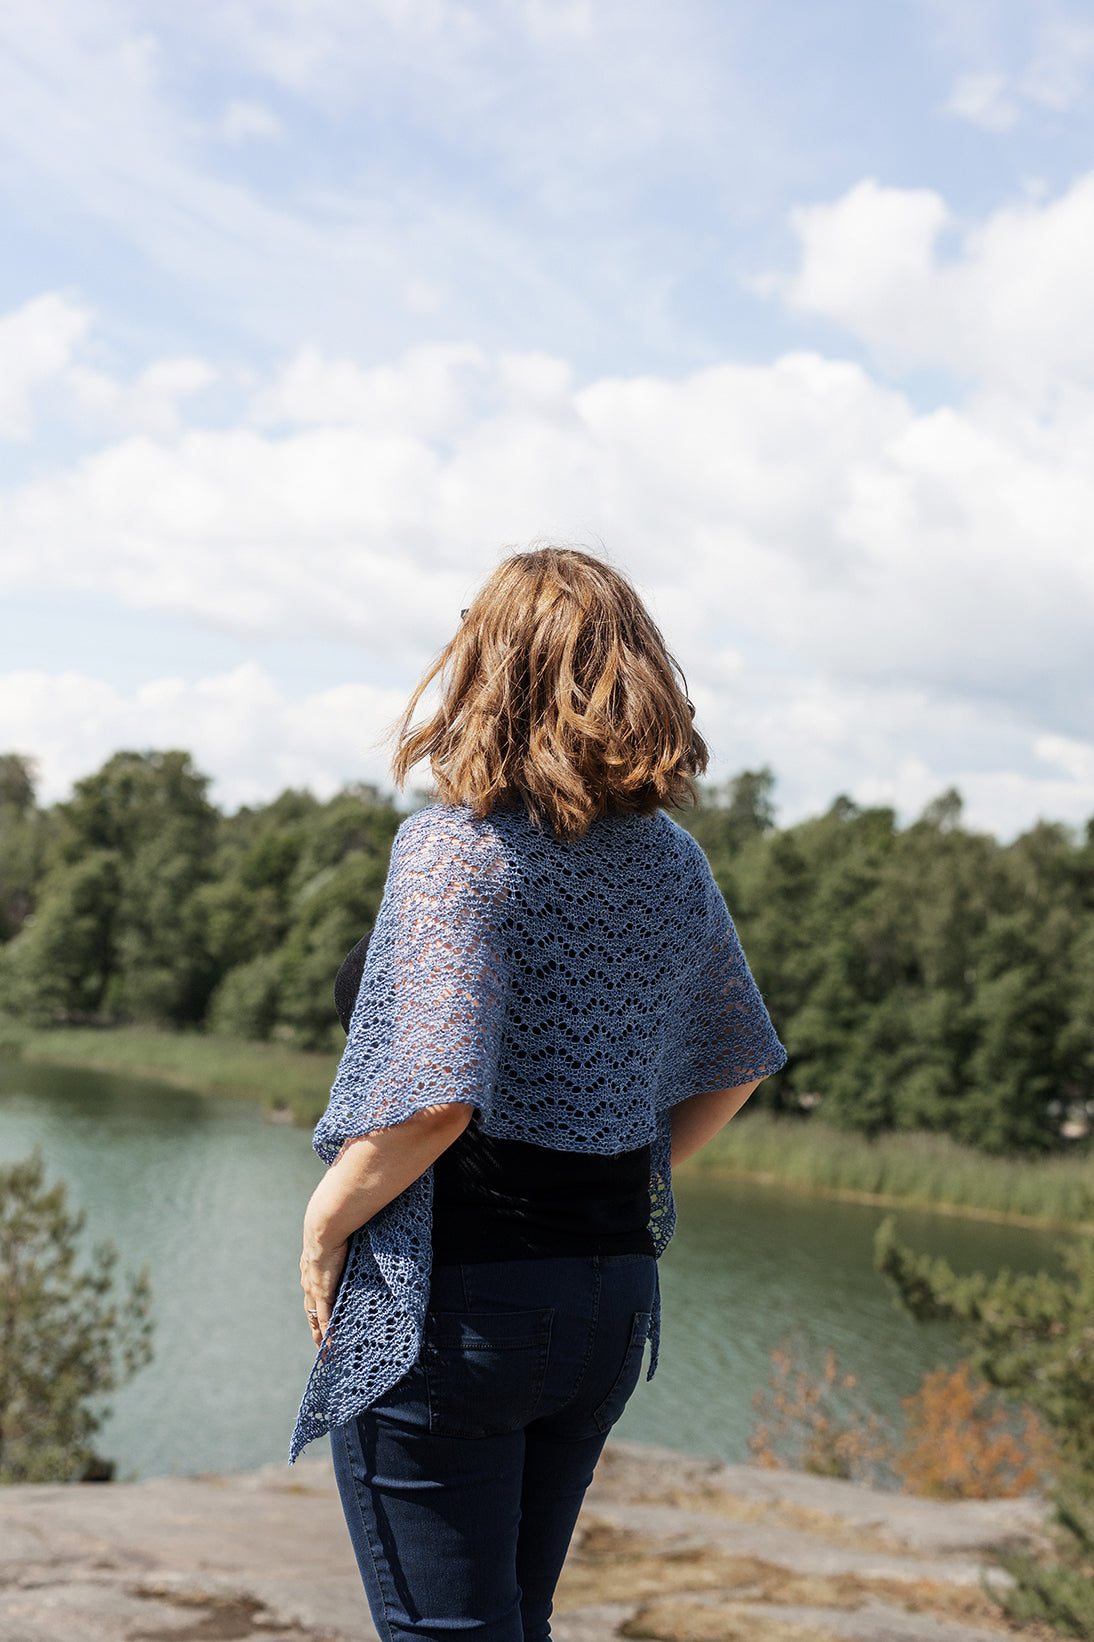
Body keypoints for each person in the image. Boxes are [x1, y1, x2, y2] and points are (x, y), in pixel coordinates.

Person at [294, 546, 786, 1642]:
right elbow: (737, 1059)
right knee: (517, 1621)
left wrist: (326, 1221)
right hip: (608, 1300)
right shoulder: (671, 862)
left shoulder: (453, 852)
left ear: (492, 668)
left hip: (459, 1306)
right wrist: (620, 1158)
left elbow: (435, 1101)